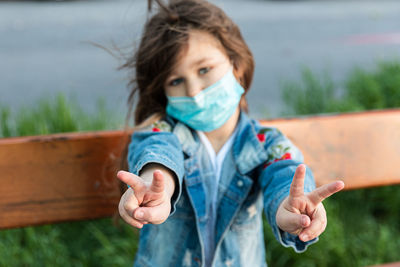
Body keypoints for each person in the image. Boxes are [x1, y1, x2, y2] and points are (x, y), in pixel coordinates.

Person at [116, 0, 345, 266]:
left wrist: (290, 206)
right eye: (176, 81)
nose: (194, 91)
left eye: (204, 70)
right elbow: (158, 155)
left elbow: (284, 173)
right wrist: (158, 189)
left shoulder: (266, 144)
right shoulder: (160, 130)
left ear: (237, 65)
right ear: (163, 92)